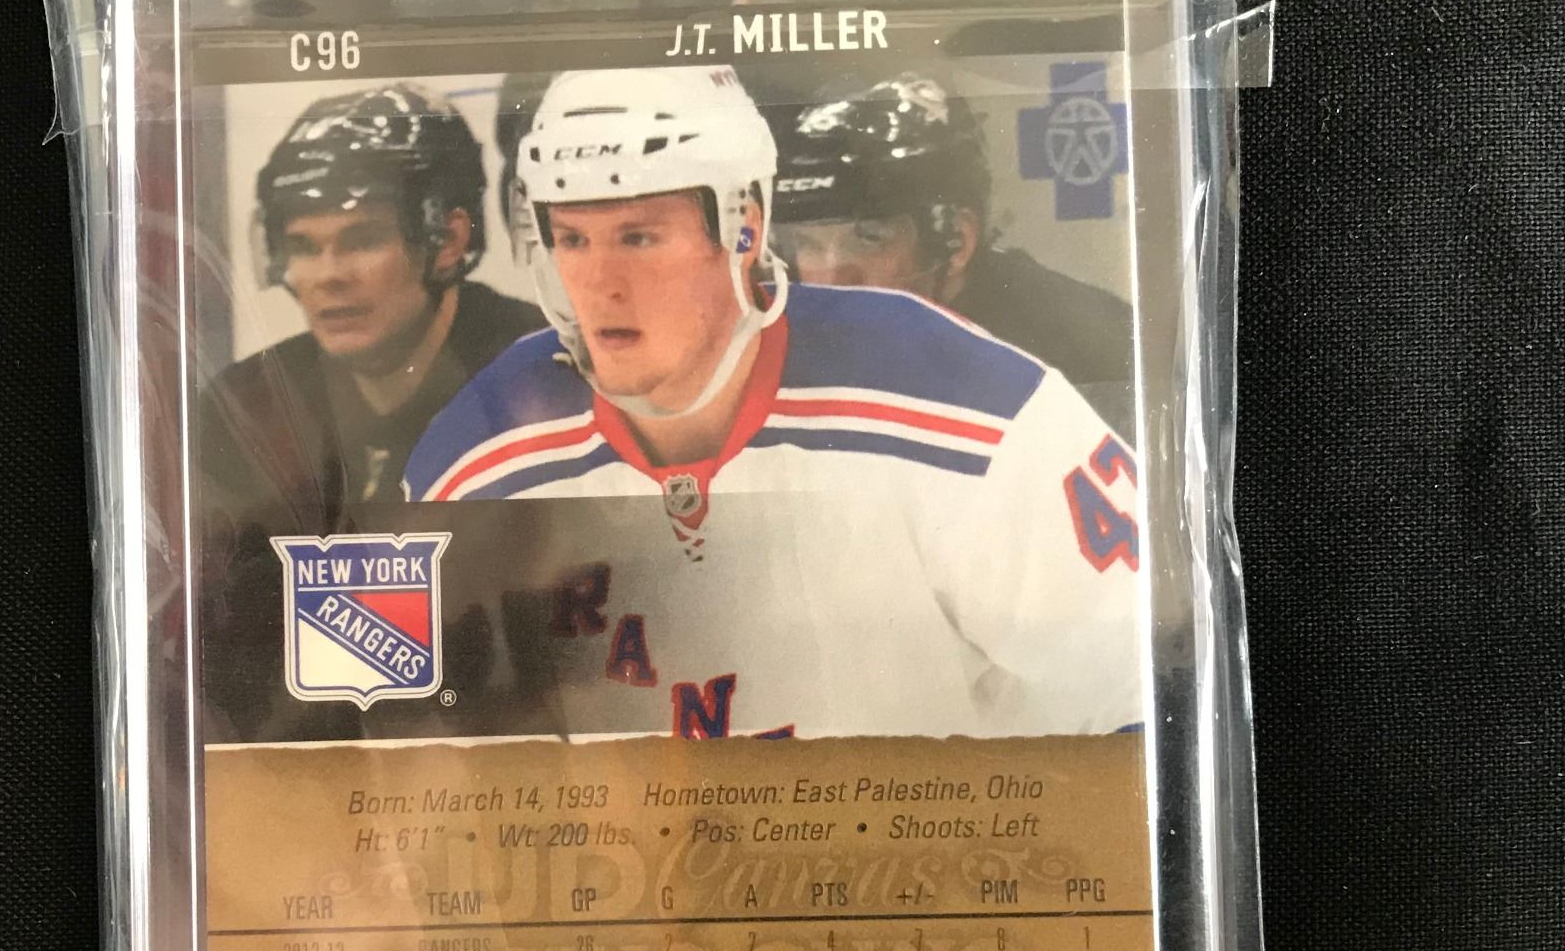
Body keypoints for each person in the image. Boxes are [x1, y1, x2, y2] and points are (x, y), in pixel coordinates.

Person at [402, 65, 1143, 742]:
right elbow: (415, 765)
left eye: (639, 237)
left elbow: (1137, 691)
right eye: (572, 239)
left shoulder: (967, 403)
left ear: (745, 230)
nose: (600, 284)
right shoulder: (478, 451)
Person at [199, 84, 541, 733]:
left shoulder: (545, 379)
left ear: (447, 240)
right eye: (303, 245)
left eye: (361, 239)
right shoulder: (241, 410)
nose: (328, 274)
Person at [769, 76, 1136, 441]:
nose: (831, 280)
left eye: (868, 239)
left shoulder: (1088, 354)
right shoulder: (779, 335)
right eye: (807, 243)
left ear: (957, 241)